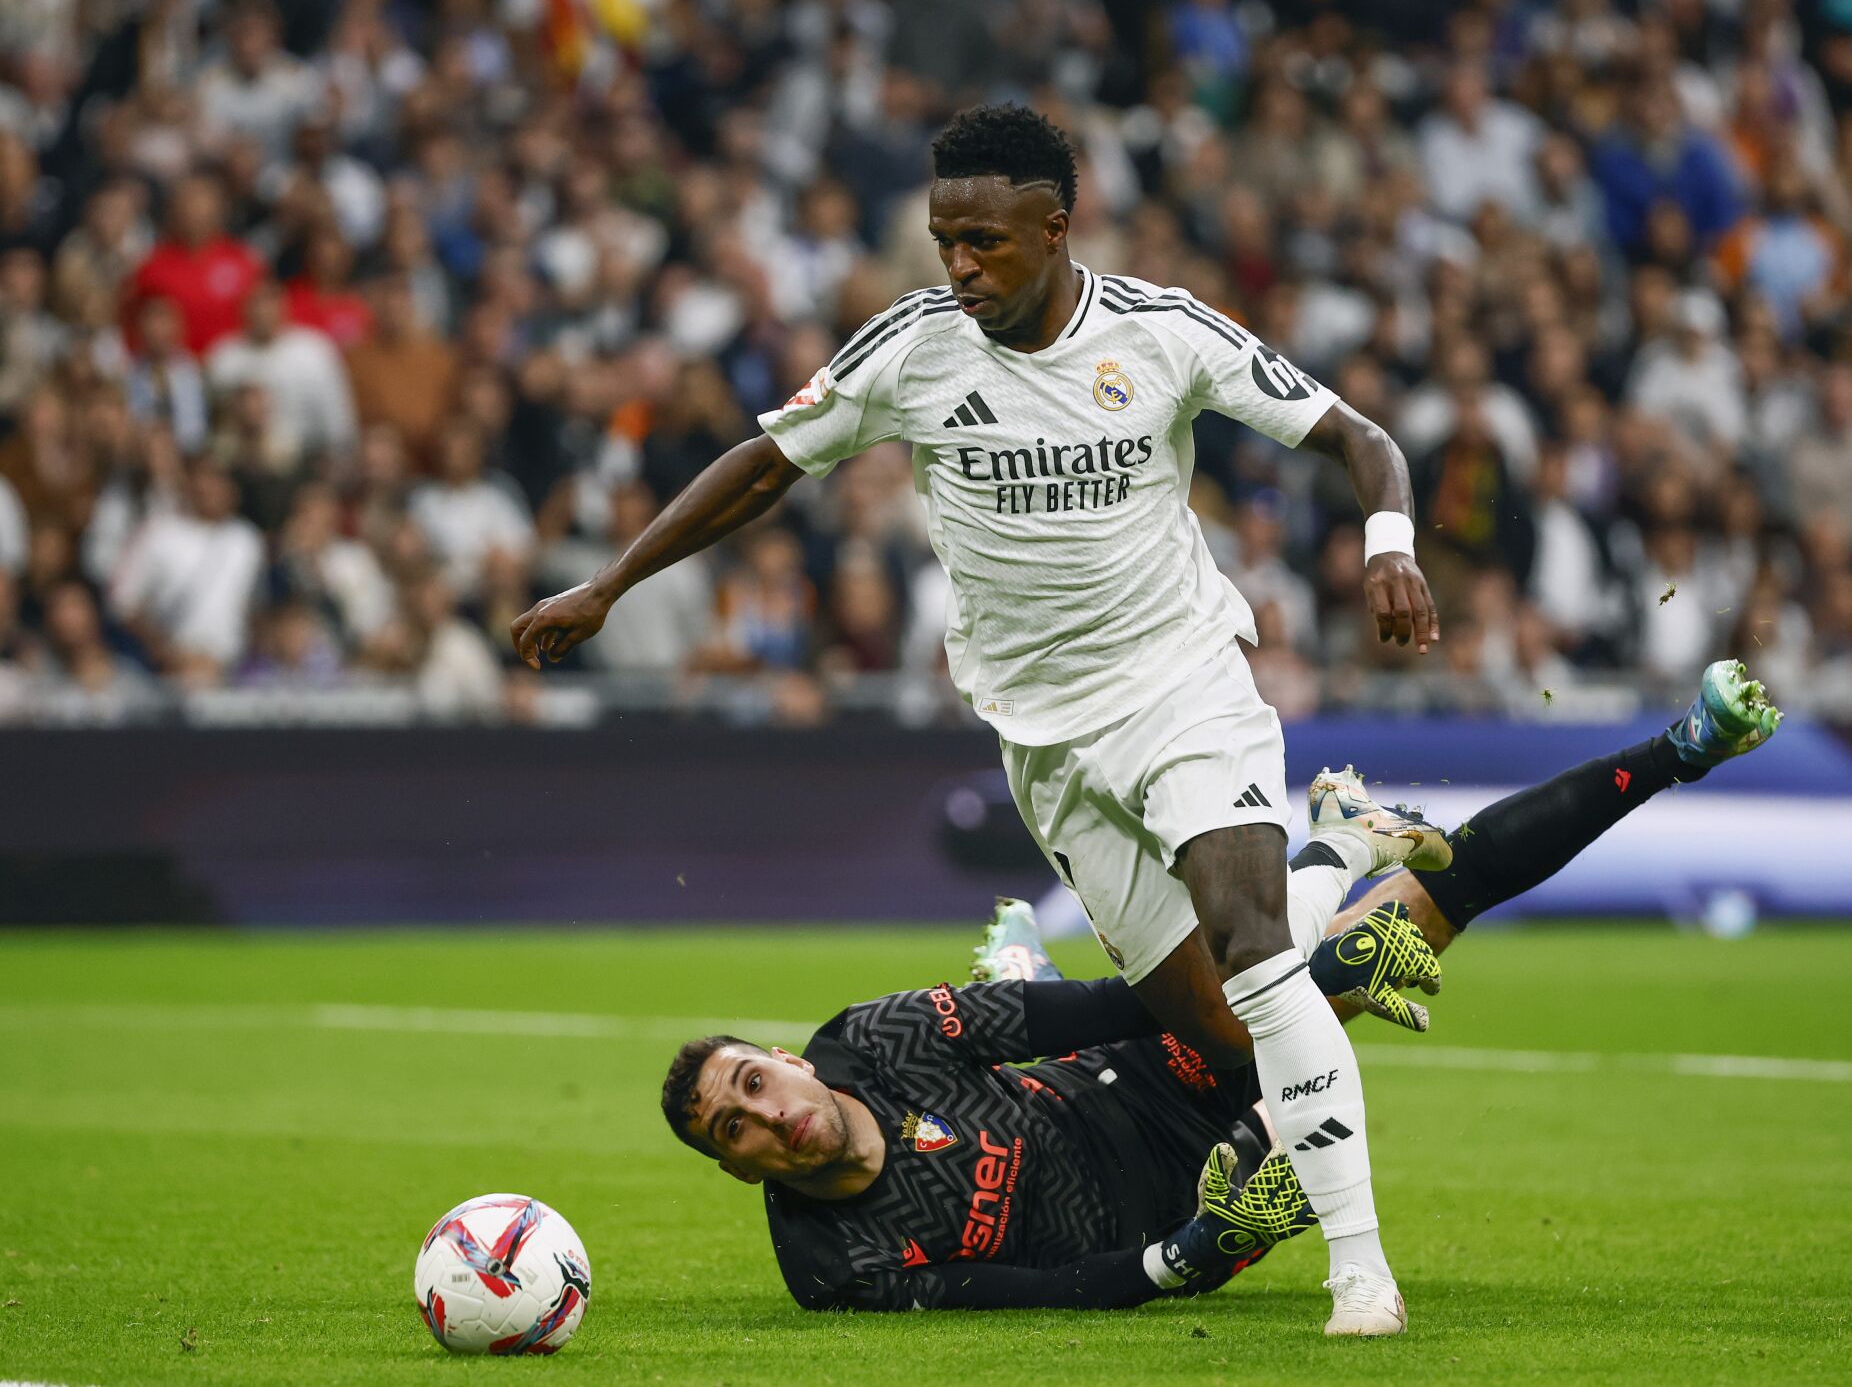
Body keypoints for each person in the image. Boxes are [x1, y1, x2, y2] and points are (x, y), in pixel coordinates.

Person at [516, 104, 1442, 1333]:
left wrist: (1390, 546)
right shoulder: (910, 350)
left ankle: (1359, 1273)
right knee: (1211, 1026)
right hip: (1044, 733)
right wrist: (612, 583)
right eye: (944, 239)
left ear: (1056, 229)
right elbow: (762, 463)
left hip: (1178, 681)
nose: (960, 267)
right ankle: (1340, 848)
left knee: (1253, 953)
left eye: (987, 243)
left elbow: (1358, 437)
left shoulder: (1161, 334)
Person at [659, 660, 1782, 1315]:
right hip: (1187, 1192)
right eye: (734, 1132)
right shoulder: (832, 1266)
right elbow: (1046, 1298)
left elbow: (1114, 1003)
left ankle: (1682, 748)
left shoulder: (871, 1044)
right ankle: (1329, 856)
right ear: (734, 1169)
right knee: (1306, 1035)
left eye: (749, 1083)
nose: (763, 1117)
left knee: (1428, 909)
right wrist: (1180, 1262)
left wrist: (1269, 983)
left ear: (786, 1061)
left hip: (1144, 1067)